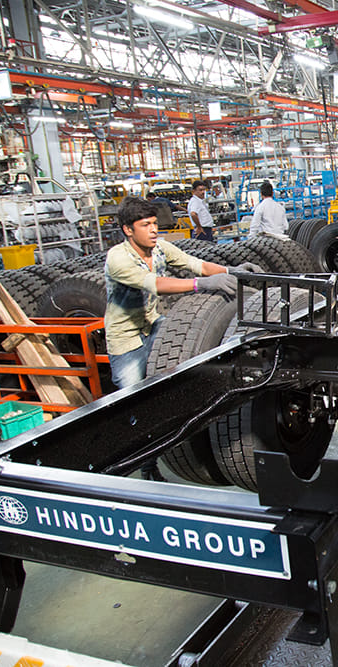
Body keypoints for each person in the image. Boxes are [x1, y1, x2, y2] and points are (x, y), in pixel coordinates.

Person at [104, 197, 260, 480]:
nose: (154, 230)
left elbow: (195, 264)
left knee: (176, 380)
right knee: (135, 408)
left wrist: (231, 270)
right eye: (145, 225)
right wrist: (201, 285)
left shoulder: (160, 248)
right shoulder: (118, 258)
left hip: (153, 325)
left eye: (154, 223)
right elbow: (155, 284)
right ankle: (145, 468)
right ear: (128, 230)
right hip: (126, 339)